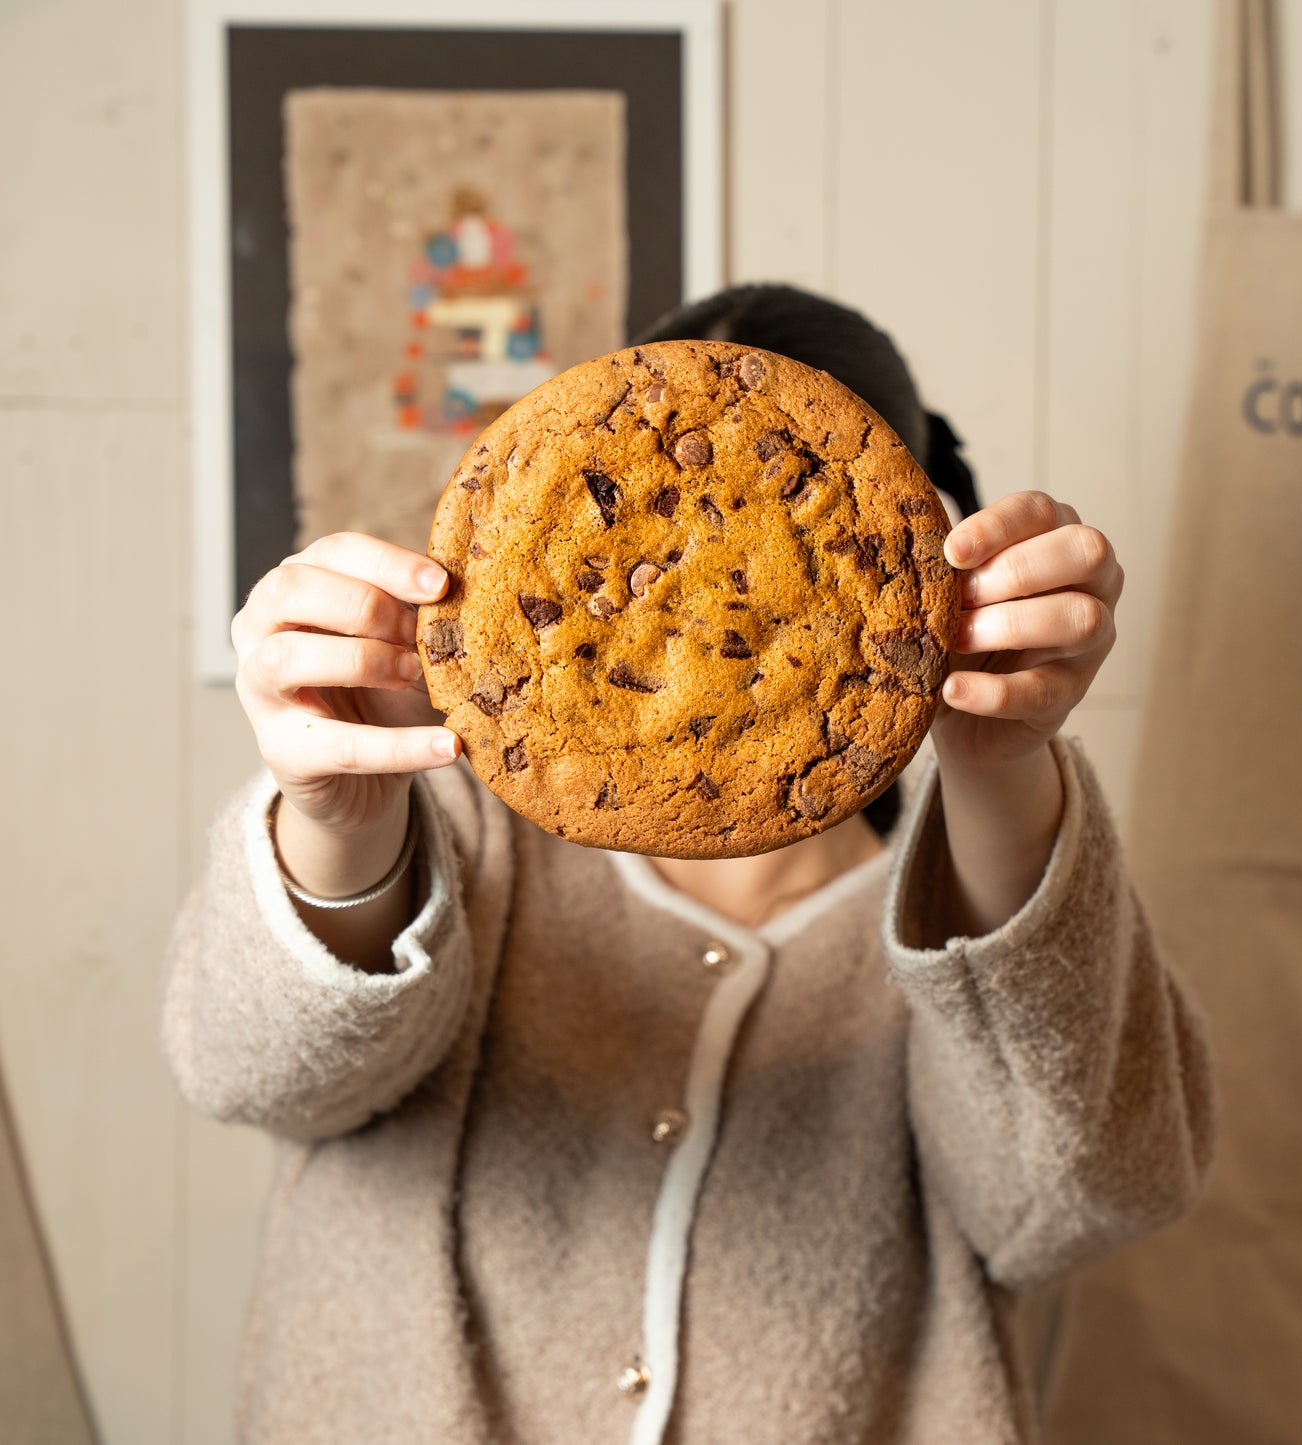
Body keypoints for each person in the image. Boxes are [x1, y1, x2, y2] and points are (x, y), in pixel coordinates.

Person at [163, 284, 1213, 1444]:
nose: (687, 576)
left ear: (919, 559)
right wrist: (339, 822)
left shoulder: (979, 911)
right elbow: (251, 1068)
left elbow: (1084, 1195)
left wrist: (1002, 770)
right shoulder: (453, 841)